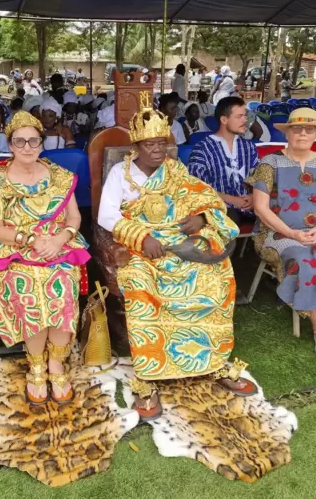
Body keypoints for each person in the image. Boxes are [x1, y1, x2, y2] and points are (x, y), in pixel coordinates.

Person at [97, 101, 251, 420]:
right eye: (150, 144)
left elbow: (203, 196)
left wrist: (201, 217)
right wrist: (143, 238)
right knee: (141, 283)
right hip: (141, 243)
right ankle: (149, 377)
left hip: (181, 239)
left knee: (216, 272)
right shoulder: (120, 173)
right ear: (137, 145)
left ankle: (212, 363)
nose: (157, 150)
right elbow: (106, 215)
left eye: (162, 143)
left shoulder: (176, 169)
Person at [0, 111, 88, 404]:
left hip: (58, 245)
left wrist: (60, 238)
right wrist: (33, 241)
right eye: (20, 141)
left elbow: (74, 216)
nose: (27, 147)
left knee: (61, 289)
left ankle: (56, 365)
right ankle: (37, 365)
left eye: (33, 140)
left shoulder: (60, 178)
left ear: (41, 143)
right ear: (10, 145)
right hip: (14, 247)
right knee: (31, 291)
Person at [245, 108, 316, 367]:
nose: (303, 133)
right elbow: (260, 208)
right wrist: (292, 233)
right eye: (297, 128)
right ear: (288, 132)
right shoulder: (269, 163)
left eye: (310, 129)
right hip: (278, 234)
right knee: (303, 257)